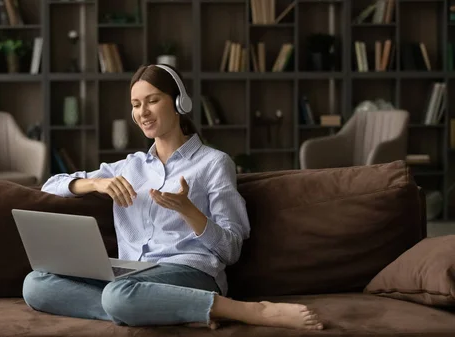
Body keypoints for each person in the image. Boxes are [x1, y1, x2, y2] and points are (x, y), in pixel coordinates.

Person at [22, 64, 324, 331]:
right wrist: (96, 184)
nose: (143, 112)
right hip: (130, 275)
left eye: (152, 101)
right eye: (136, 104)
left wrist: (189, 210)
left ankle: (249, 311)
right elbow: (50, 185)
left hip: (189, 270)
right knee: (35, 284)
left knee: (119, 295)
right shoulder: (129, 166)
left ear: (179, 103)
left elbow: (231, 249)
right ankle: (169, 311)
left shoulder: (214, 163)